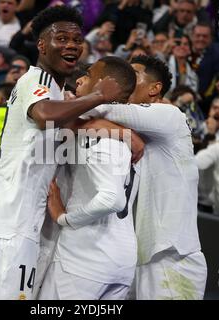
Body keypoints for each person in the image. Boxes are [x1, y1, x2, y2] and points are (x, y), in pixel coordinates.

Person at [0, 6, 127, 300]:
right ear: (41, 45)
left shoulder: (56, 91)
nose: (71, 45)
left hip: (11, 217)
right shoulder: (37, 80)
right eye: (62, 38)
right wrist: (99, 95)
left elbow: (73, 122)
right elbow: (44, 114)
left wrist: (123, 132)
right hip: (10, 220)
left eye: (77, 40)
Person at [78, 55, 207, 299]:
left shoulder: (170, 115)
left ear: (155, 88)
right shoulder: (131, 130)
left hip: (172, 256)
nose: (123, 81)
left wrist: (70, 102)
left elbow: (96, 108)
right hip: (140, 255)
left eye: (133, 75)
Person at [38, 57, 138, 300]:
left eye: (90, 74)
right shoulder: (121, 127)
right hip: (120, 259)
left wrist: (65, 218)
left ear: (106, 84)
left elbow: (112, 199)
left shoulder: (98, 133)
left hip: (86, 256)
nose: (80, 78)